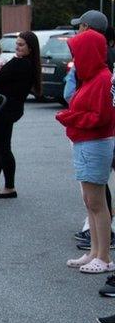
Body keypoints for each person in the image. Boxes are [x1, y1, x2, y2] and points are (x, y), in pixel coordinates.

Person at [57, 29, 115, 274]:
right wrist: (72, 117)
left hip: (95, 143)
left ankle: (103, 256)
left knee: (97, 202)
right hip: (86, 143)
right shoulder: (90, 77)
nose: (74, 58)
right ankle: (94, 251)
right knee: (89, 202)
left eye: (76, 52)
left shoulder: (101, 78)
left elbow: (101, 117)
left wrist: (70, 117)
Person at [0, 31, 41, 199]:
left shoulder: (21, 64)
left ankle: (9, 186)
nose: (17, 47)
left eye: (21, 45)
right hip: (3, 108)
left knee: (2, 146)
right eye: (16, 44)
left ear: (30, 48)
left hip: (5, 109)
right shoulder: (22, 62)